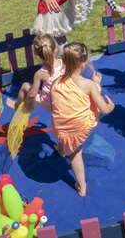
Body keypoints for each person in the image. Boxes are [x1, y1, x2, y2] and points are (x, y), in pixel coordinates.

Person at [51, 42, 115, 196]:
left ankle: (62, 148)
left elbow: (59, 105)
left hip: (61, 126)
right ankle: (82, 186)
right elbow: (104, 109)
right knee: (75, 153)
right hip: (81, 126)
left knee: (64, 126)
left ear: (63, 62)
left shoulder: (55, 83)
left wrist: (95, 85)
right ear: (84, 62)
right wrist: (110, 106)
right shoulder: (88, 85)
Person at [6, 34, 64, 111]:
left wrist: (28, 101)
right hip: (63, 100)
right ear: (56, 48)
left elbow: (33, 94)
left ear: (36, 55)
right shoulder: (64, 63)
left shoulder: (40, 73)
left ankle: (16, 105)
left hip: (50, 105)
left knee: (25, 86)